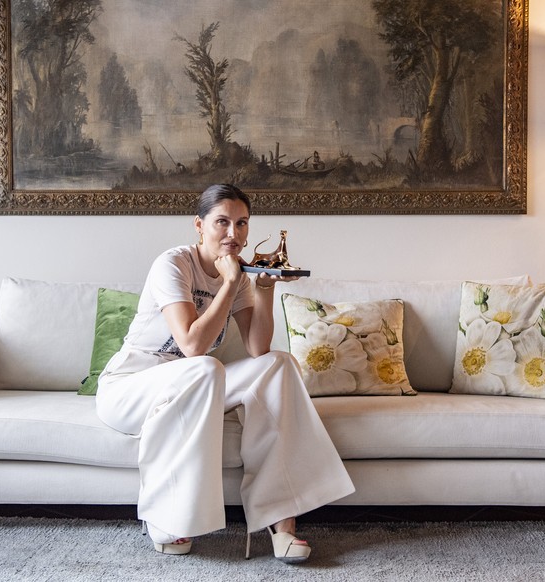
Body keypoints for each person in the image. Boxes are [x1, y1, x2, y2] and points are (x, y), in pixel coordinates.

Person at [95, 184, 354, 562]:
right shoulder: (173, 264)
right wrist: (231, 282)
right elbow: (191, 345)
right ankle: (169, 518)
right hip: (131, 387)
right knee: (203, 366)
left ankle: (281, 521)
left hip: (195, 384)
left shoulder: (242, 277)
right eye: (222, 223)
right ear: (199, 226)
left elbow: (257, 350)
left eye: (242, 224)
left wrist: (263, 287)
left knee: (279, 365)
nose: (234, 235)